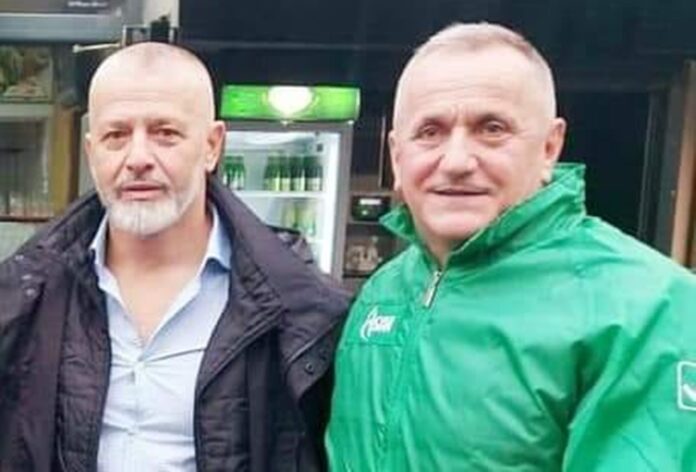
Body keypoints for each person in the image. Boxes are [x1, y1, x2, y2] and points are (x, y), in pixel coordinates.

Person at [326, 22, 696, 471]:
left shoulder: (648, 307)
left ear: (549, 147)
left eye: (491, 128)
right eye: (430, 131)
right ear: (396, 156)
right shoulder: (383, 291)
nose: (456, 161)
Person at [0, 42, 348, 471]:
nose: (138, 159)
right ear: (91, 152)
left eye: (165, 133)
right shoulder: (29, 295)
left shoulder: (301, 309)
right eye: (116, 135)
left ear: (212, 146)